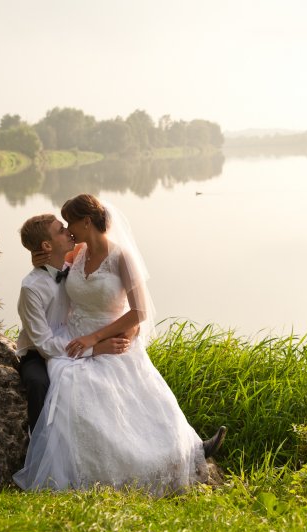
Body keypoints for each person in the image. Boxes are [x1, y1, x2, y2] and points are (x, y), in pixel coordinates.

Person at [13, 195, 226, 496]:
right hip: (76, 343)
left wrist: (106, 336)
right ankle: (105, 466)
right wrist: (39, 258)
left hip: (106, 339)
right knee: (81, 397)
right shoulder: (75, 255)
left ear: (85, 222)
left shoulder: (117, 256)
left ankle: (188, 450)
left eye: (68, 224)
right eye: (61, 229)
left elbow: (139, 311)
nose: (67, 231)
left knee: (144, 399)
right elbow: (49, 264)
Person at [14, 214, 132, 433]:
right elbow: (44, 344)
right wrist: (94, 348)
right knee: (38, 383)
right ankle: (38, 445)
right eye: (61, 230)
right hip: (39, 353)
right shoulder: (31, 288)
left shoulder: (76, 268)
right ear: (47, 245)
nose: (69, 231)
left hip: (77, 339)